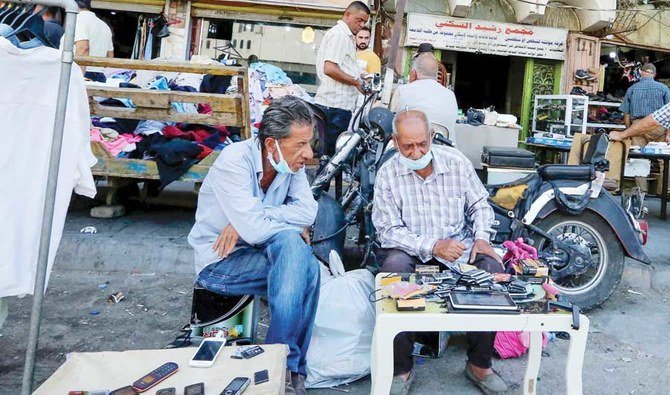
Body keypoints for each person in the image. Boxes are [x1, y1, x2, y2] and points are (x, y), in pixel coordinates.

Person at [187, 96, 320, 395]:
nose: (308, 154)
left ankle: (281, 366)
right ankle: (285, 365)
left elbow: (308, 213)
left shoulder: (291, 168)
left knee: (302, 261)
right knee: (298, 254)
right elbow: (257, 230)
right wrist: (258, 222)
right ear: (271, 145)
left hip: (263, 254)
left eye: (309, 143)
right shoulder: (234, 161)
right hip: (220, 263)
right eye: (300, 145)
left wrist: (251, 214)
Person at [371, 110, 508, 395]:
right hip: (413, 250)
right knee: (394, 267)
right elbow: (387, 231)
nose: (416, 151)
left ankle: (479, 365)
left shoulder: (456, 162)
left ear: (432, 137)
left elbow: (480, 206)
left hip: (459, 248)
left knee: (493, 271)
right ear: (395, 142)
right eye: (408, 146)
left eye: (422, 143)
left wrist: (482, 238)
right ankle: (402, 369)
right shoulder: (388, 174)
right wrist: (433, 246)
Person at [315, 1, 370, 155]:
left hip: (338, 107)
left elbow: (342, 67)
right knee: (331, 159)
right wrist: (356, 82)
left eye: (364, 22)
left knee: (333, 157)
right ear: (347, 15)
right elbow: (330, 68)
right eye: (359, 20)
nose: (361, 25)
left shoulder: (346, 37)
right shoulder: (339, 34)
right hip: (333, 107)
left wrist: (360, 76)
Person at [617, 63, 670, 193]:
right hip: (658, 125)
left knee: (639, 159)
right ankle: (663, 192)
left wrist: (629, 131)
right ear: (655, 74)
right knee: (664, 161)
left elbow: (627, 114)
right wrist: (669, 133)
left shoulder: (632, 89)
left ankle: (641, 192)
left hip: (638, 126)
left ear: (641, 72)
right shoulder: (664, 89)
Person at [390, 53, 458, 136]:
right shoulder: (450, 95)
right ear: (436, 75)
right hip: (446, 146)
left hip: (412, 145)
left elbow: (392, 121)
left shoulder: (403, 91)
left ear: (413, 74)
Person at [70, 0, 114, 82]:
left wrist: (78, 77)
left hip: (81, 72)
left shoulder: (78, 19)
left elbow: (83, 48)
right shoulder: (104, 26)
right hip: (99, 74)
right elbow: (110, 56)